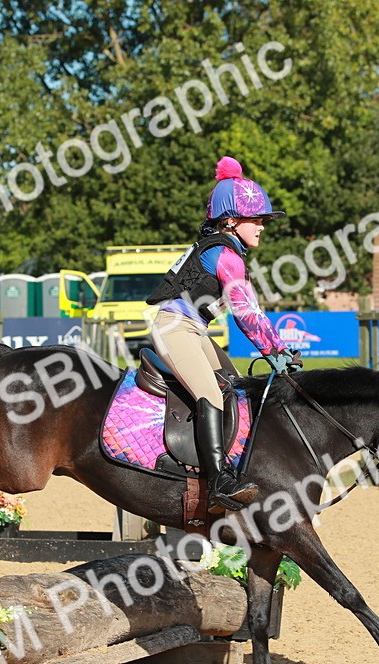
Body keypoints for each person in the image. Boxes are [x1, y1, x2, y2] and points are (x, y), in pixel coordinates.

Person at [146, 156, 297, 513]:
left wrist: (280, 348)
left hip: (193, 330)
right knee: (211, 393)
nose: (262, 227)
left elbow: (253, 309)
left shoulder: (226, 251)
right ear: (231, 220)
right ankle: (218, 482)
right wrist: (276, 351)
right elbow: (246, 314)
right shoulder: (225, 255)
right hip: (175, 329)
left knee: (235, 384)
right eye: (256, 220)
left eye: (263, 221)